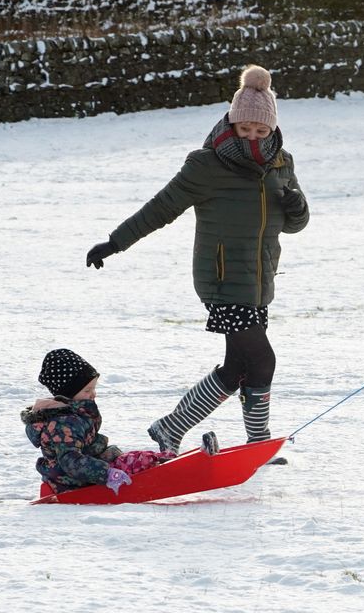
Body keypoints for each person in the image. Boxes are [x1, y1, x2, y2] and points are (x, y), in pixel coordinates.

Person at [85, 64, 309, 459]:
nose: (252, 137)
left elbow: (294, 225)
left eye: (261, 131)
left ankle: (172, 427)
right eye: (245, 129)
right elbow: (161, 208)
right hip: (221, 280)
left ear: (271, 129)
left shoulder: (280, 163)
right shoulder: (207, 165)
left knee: (238, 368)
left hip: (259, 280)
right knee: (262, 360)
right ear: (232, 123)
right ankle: (257, 444)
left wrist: (297, 206)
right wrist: (114, 242)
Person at [22, 349, 133, 495]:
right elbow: (71, 461)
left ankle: (162, 464)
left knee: (131, 459)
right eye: (87, 390)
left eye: (93, 388)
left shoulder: (76, 413)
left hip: (87, 470)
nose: (93, 394)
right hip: (71, 482)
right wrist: (107, 473)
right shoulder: (63, 424)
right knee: (134, 463)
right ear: (68, 394)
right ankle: (157, 477)